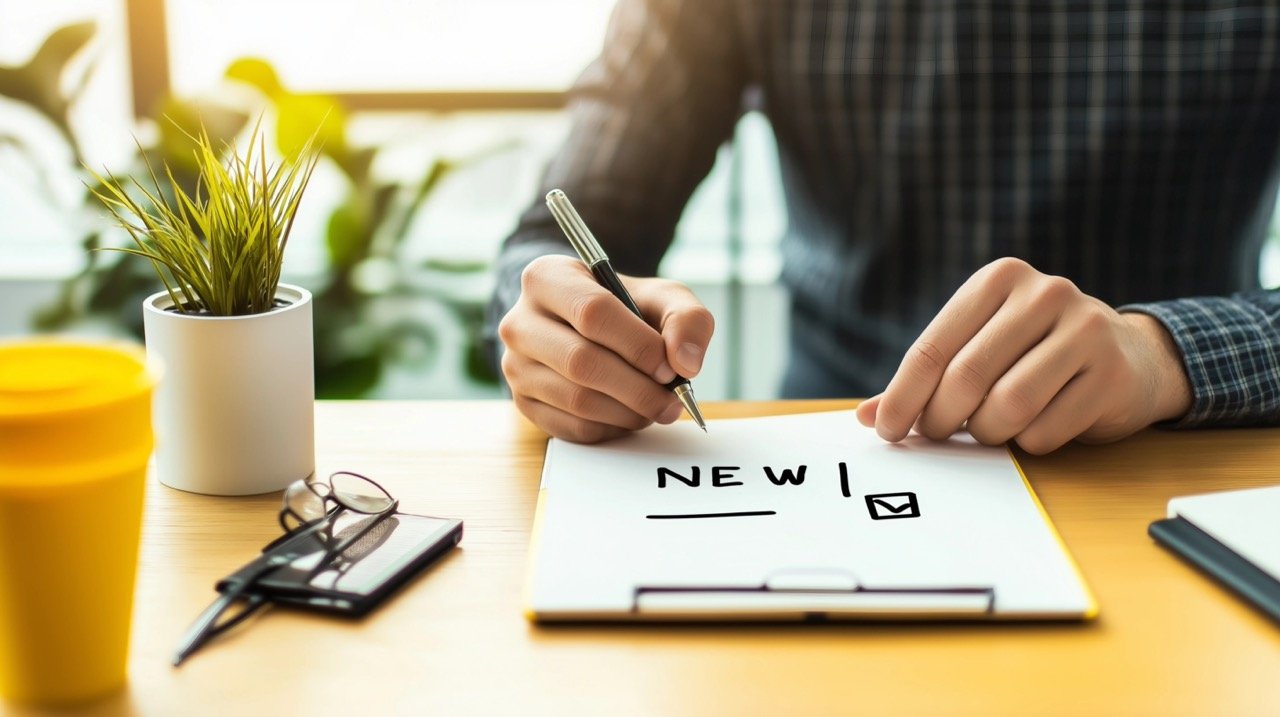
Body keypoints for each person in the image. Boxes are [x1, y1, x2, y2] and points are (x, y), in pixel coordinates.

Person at [487, 1, 1280, 453]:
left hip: (1172, 461)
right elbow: (570, 222)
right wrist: (562, 320)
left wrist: (1160, 351)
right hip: (835, 449)